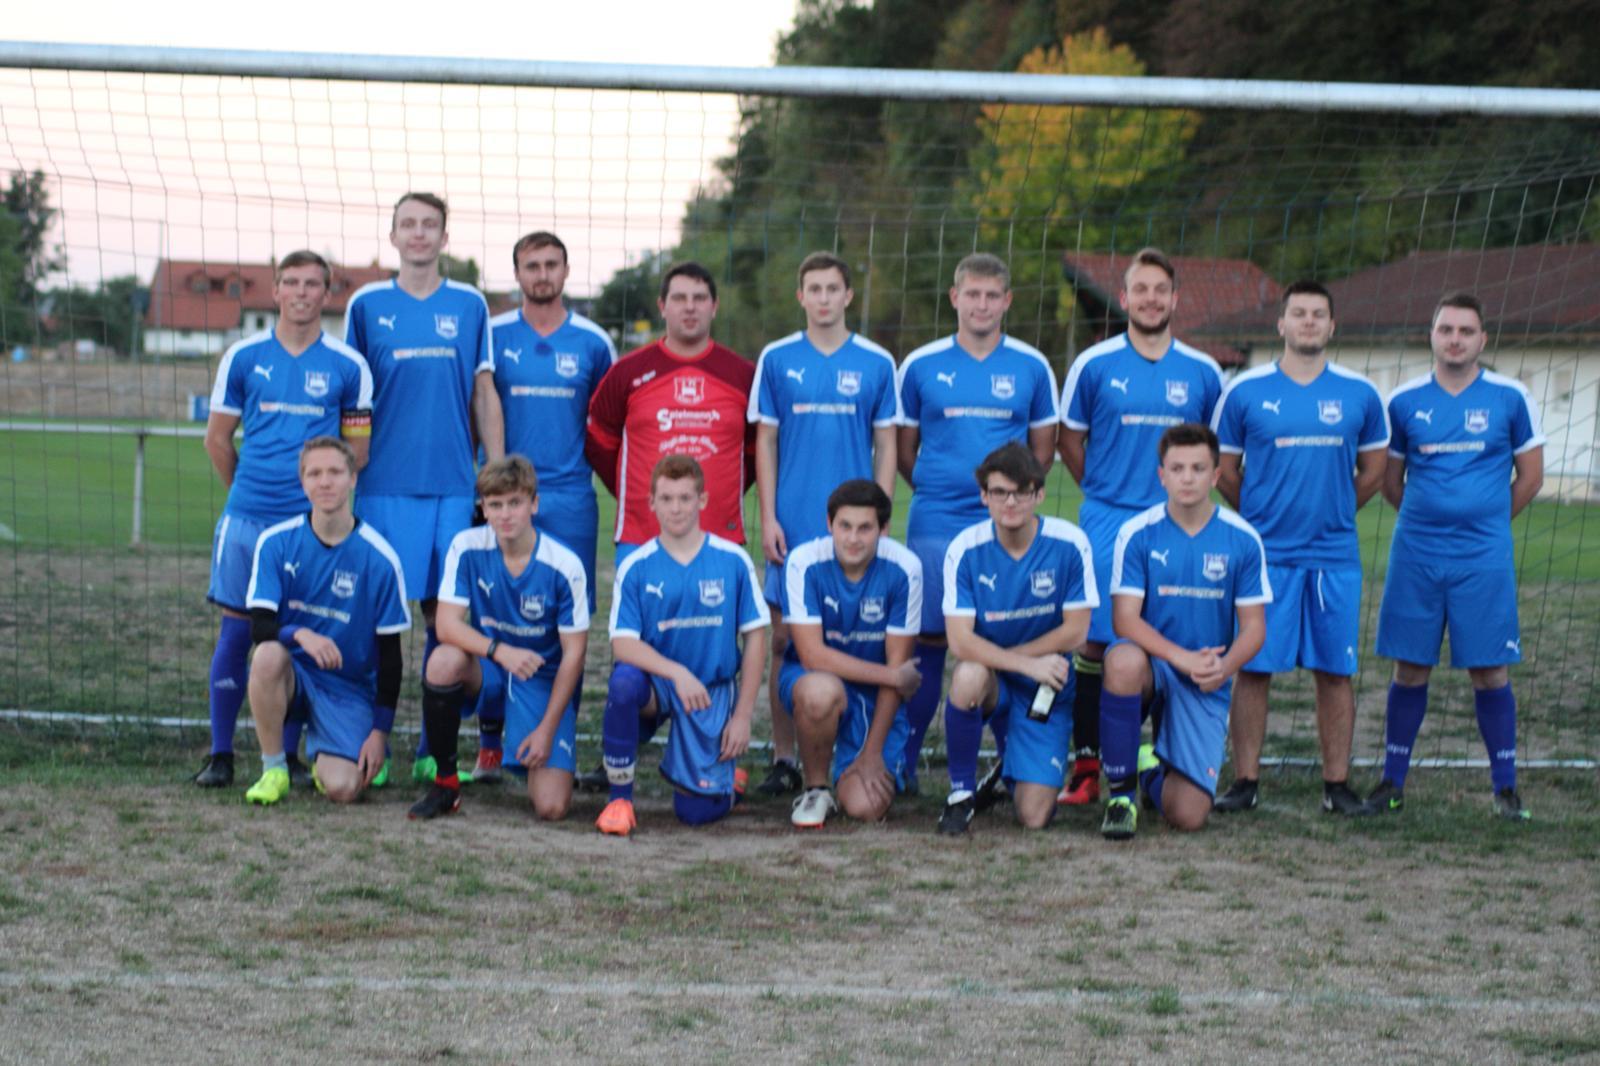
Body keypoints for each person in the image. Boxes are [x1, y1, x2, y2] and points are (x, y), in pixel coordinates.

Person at [195, 250, 373, 789]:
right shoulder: (243, 357)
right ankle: (221, 754)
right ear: (274, 292)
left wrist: (315, 504)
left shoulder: (348, 366)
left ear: (327, 293)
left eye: (312, 283)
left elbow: (358, 453)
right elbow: (217, 440)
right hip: (247, 520)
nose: (301, 292)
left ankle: (288, 755)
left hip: (308, 530)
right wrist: (247, 493)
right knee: (236, 630)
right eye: (291, 282)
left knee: (299, 635)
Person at [1210, 281, 1388, 815]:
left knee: (1334, 671)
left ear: (1332, 326)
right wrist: (1261, 517)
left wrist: (1335, 511)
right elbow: (1225, 471)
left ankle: (1337, 785)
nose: (1308, 321)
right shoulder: (1244, 391)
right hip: (1266, 558)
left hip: (1334, 556)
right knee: (1254, 668)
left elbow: (1374, 471)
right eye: (1299, 313)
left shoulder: (1360, 393)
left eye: (1318, 314)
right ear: (1281, 324)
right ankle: (1245, 781)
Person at [344, 191, 503, 785]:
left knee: (445, 618)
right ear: (393, 236)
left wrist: (495, 473)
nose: (418, 233)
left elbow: (483, 391)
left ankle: (435, 745)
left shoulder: (469, 304)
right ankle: (370, 740)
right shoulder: (366, 305)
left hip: (452, 488)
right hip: (382, 486)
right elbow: (352, 395)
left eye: (429, 224)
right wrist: (349, 466)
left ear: (443, 236)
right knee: (376, 620)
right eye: (407, 224)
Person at [1057, 248, 1224, 807]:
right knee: (1098, 640)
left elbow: (1212, 451)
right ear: (1124, 299)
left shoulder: (1203, 371)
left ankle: (1157, 757)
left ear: (1175, 299)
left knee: (1172, 637)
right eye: (1141, 290)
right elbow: (1069, 440)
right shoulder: (1094, 364)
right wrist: (1105, 490)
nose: (1151, 299)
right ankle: (1088, 764)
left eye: (1161, 290)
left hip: (1179, 527)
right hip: (1109, 519)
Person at [1368, 293, 1543, 821]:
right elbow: (1390, 481)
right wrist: (1432, 520)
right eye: (1446, 330)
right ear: (1432, 336)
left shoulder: (1510, 397)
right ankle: (1392, 783)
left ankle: (1505, 789)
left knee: (1490, 671)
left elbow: (1531, 476)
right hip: (1417, 553)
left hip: (1482, 558)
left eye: (1466, 331)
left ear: (1482, 339)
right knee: (1409, 668)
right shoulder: (1403, 401)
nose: (1455, 339)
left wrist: (1484, 522)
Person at [895, 253, 1059, 793]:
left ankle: (1017, 762)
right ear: (955, 298)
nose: (982, 305)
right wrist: (940, 487)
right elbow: (904, 449)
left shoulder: (1032, 366)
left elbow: (1042, 451)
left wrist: (1007, 500)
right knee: (929, 639)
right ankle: (904, 760)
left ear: (1007, 301)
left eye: (992, 296)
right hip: (937, 519)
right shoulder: (920, 364)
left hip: (1005, 523)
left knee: (1004, 632)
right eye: (973, 294)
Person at [749, 251, 899, 798]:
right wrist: (768, 515)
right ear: (800, 296)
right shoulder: (777, 358)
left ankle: (859, 748)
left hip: (855, 527)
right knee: (784, 640)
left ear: (848, 295)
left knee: (859, 636)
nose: (823, 298)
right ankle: (785, 756)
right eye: (813, 289)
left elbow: (887, 442)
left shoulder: (877, 362)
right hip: (793, 522)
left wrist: (882, 513)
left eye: (833, 288)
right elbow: (765, 440)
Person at [478, 231, 613, 784]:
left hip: (569, 498)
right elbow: (477, 408)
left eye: (551, 264)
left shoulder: (593, 342)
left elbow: (607, 423)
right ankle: (491, 740)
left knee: (565, 622)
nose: (542, 274)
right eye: (531, 265)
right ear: (516, 273)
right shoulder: (492, 336)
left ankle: (558, 738)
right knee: (494, 613)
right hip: (505, 499)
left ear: (566, 270)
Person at [1098, 423, 1270, 840]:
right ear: (1162, 475)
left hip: (1205, 674)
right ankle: (1120, 799)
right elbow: (1124, 620)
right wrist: (1179, 657)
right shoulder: (1137, 533)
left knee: (1189, 815)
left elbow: (1254, 628)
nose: (1187, 478)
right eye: (1177, 469)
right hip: (1155, 664)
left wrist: (1223, 667)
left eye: (1198, 468)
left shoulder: (1243, 539)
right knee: (1121, 661)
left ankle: (1148, 770)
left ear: (1216, 475)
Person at [408, 456, 590, 822]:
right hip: (491, 666)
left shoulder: (565, 564)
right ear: (484, 508)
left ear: (534, 504)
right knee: (443, 661)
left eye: (514, 503)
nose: (505, 514)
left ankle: (535, 744)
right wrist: (499, 651)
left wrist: (546, 731)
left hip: (539, 676)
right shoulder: (467, 546)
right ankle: (445, 784)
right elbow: (446, 625)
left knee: (552, 807)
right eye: (495, 504)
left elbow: (575, 655)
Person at [596, 455, 769, 835]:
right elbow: (623, 644)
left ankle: (727, 782)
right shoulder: (637, 565)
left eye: (685, 498)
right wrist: (677, 673)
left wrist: (742, 717)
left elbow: (756, 637)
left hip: (709, 690)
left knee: (695, 813)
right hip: (659, 684)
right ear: (652, 503)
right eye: (667, 498)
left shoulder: (733, 560)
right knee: (623, 684)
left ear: (702, 500)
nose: (676, 508)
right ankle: (620, 799)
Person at [242, 437, 410, 806]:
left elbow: (391, 660)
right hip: (295, 674)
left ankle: (339, 754)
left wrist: (379, 733)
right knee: (267, 655)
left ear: (353, 478)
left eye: (335, 472)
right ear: (302, 482)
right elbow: (260, 627)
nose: (325, 482)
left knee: (344, 789)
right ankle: (275, 770)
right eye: (314, 473)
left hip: (348, 689)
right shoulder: (275, 543)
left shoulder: (381, 559)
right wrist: (302, 634)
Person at [939, 443, 1096, 835]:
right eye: (999, 492)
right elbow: (960, 643)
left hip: (1046, 683)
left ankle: (1010, 767)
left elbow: (1076, 631)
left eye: (1020, 492)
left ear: (1039, 495)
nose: (1009, 502)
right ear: (984, 496)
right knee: (968, 674)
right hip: (999, 675)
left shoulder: (1070, 543)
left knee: (1034, 817)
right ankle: (961, 795)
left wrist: (1019, 663)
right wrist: (1024, 663)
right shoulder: (964, 549)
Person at [586, 261, 756, 559]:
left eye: (699, 298)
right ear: (662, 306)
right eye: (679, 298)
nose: (690, 307)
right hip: (642, 536)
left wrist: (721, 491)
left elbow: (758, 450)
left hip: (719, 537)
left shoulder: (743, 375)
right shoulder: (627, 372)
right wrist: (637, 492)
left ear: (714, 306)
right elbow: (599, 442)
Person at [780, 479, 922, 828]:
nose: (853, 538)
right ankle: (816, 789)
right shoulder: (803, 562)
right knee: (819, 691)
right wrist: (894, 676)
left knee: (865, 807)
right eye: (844, 526)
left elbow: (898, 662)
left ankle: (866, 762)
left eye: (865, 528)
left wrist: (872, 754)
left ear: (883, 529)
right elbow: (812, 656)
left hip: (876, 694)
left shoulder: (905, 568)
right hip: (817, 680)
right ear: (829, 524)